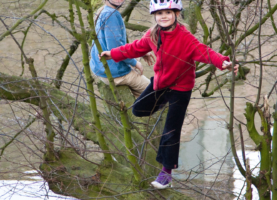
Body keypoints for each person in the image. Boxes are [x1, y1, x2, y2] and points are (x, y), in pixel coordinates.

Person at [100, 0, 239, 189]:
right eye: (159, 13)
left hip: (180, 89)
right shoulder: (153, 34)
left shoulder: (185, 37)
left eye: (167, 12)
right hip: (161, 84)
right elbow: (134, 48)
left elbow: (204, 51)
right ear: (154, 17)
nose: (163, 16)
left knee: (171, 131)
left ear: (176, 14)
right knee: (138, 110)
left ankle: (166, 173)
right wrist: (113, 53)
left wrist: (223, 62)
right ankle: (165, 105)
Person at [90, 0, 154, 98]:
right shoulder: (112, 16)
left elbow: (116, 43)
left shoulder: (102, 10)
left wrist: (141, 52)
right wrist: (135, 63)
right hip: (115, 72)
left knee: (141, 97)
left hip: (99, 67)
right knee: (155, 92)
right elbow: (115, 49)